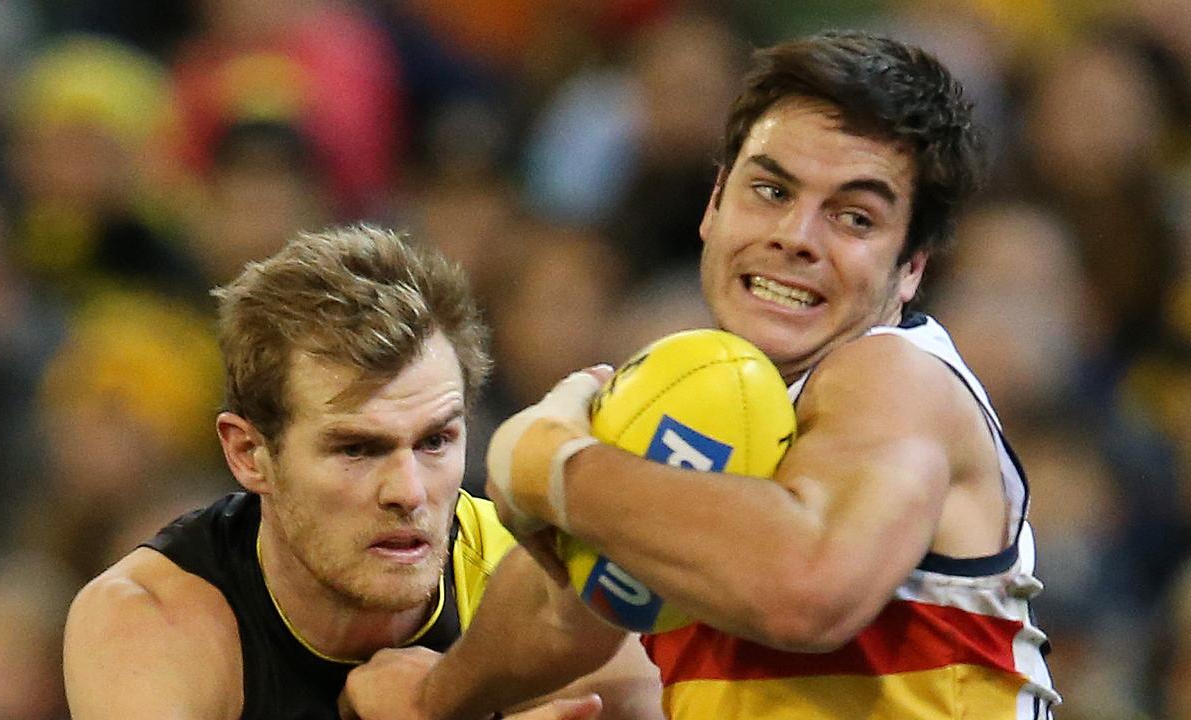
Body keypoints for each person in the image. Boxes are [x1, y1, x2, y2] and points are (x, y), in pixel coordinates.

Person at [341, 31, 1062, 719]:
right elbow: (567, 615)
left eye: (853, 217)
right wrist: (434, 699)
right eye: (772, 192)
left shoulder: (898, 377)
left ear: (911, 269)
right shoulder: (693, 391)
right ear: (716, 203)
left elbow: (807, 588)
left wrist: (550, 464)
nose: (794, 238)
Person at [62, 225, 663, 719]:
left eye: (435, 441)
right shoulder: (150, 620)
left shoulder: (541, 590)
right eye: (356, 449)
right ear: (250, 454)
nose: (408, 492)